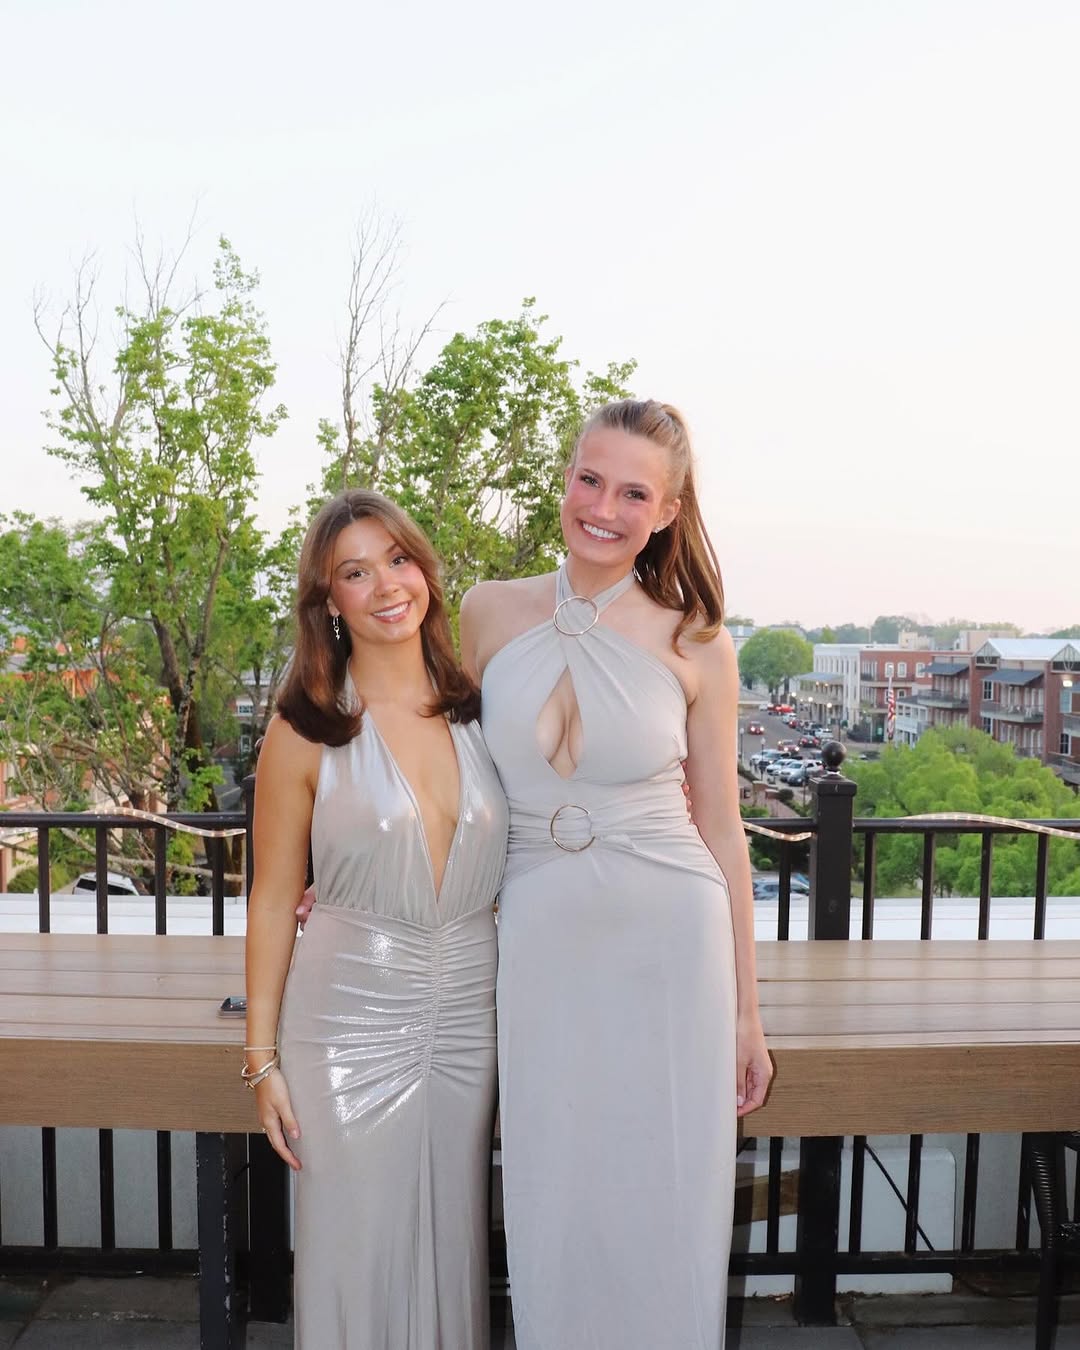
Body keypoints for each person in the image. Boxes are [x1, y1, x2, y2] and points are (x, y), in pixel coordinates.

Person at [459, 398, 771, 1350]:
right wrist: (345, 874)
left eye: (634, 493)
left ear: (668, 511)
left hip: (669, 941)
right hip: (541, 939)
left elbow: (723, 829)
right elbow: (448, 778)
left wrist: (747, 1016)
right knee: (552, 1185)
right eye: (589, 480)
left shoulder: (697, 640)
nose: (603, 508)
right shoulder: (486, 611)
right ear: (565, 479)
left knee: (664, 1191)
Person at [244, 490, 509, 1350]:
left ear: (424, 570)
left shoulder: (481, 713)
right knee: (355, 1251)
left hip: (469, 1013)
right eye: (355, 573)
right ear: (329, 602)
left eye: (398, 560)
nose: (388, 586)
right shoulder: (303, 731)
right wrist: (261, 1059)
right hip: (347, 1020)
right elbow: (272, 897)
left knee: (452, 1246)